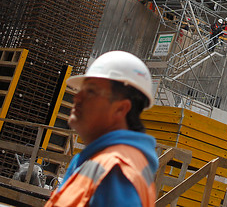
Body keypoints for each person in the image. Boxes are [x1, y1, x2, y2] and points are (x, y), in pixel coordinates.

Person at [45, 51, 158, 207]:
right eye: (81, 90)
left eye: (91, 91)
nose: (77, 98)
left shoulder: (115, 171)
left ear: (121, 108)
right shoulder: (98, 162)